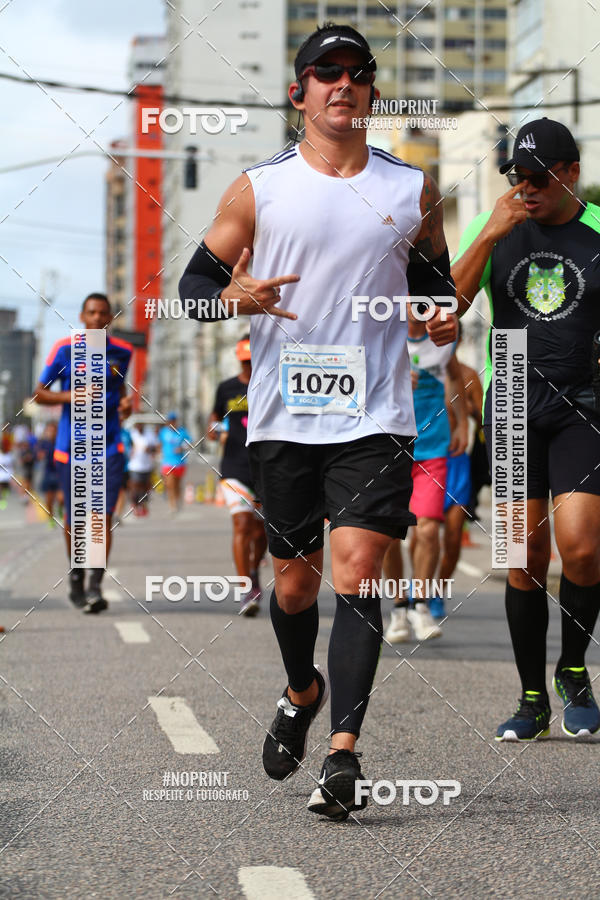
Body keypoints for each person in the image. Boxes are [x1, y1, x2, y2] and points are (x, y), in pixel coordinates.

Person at [180, 21, 457, 820]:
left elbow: (436, 298)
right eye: (325, 71)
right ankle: (302, 689)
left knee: (357, 574)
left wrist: (445, 323)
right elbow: (198, 287)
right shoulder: (257, 187)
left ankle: (343, 753)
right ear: (299, 91)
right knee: (295, 586)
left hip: (377, 414)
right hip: (284, 417)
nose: (344, 83)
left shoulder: (412, 188)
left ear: (372, 90)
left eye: (358, 72)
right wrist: (234, 295)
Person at [452, 117, 600, 740]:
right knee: (522, 556)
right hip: (511, 392)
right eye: (517, 177)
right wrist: (488, 232)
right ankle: (532, 696)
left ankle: (573, 669)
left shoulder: (596, 231)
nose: (526, 189)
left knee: (583, 546)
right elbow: (443, 307)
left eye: (539, 178)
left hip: (584, 400)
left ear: (570, 175)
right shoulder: (501, 231)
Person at [33, 293, 132, 612]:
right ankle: (76, 574)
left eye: (103, 313)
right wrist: (72, 396)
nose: (96, 318)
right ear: (82, 315)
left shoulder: (123, 352)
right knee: (76, 520)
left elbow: (121, 392)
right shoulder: (64, 349)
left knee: (102, 518)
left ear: (110, 318)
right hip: (70, 448)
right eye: (91, 312)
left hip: (109, 448)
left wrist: (127, 405)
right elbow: (39, 394)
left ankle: (95, 585)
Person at [384, 310, 468, 642]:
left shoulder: (443, 337)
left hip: (432, 449)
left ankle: (421, 607)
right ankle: (398, 610)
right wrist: (394, 378)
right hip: (389, 448)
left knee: (429, 530)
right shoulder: (384, 336)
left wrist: (462, 422)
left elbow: (454, 374)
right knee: (389, 536)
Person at [208, 335, 267, 617]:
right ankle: (246, 588)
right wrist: (215, 429)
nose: (248, 366)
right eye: (244, 361)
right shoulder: (226, 387)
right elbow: (214, 417)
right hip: (234, 466)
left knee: (262, 531)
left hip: (267, 467)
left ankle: (255, 570)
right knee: (242, 525)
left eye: (252, 360)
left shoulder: (271, 383)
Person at [433, 328, 485, 618]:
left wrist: (469, 410)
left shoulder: (468, 375)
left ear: (460, 339)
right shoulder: (419, 368)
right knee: (423, 533)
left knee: (452, 536)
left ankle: (437, 591)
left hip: (456, 463)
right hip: (426, 460)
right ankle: (418, 589)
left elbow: (483, 415)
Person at [158, 412, 191, 514]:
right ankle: (172, 505)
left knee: (177, 485)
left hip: (179, 463)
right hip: (167, 463)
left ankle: (177, 501)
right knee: (169, 484)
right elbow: (159, 444)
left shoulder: (182, 431)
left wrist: (182, 448)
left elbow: (189, 443)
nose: (171, 423)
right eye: (170, 421)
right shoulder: (163, 432)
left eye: (173, 421)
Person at [36, 421, 63, 526]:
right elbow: (37, 456)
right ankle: (51, 519)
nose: (51, 432)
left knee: (61, 498)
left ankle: (60, 509)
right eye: (49, 430)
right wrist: (40, 455)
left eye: (53, 430)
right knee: (49, 500)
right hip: (48, 474)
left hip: (60, 473)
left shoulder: (60, 442)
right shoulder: (44, 443)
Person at [128, 421, 157, 516]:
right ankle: (135, 505)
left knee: (145, 487)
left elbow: (156, 448)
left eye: (141, 426)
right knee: (135, 486)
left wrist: (150, 449)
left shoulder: (149, 434)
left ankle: (143, 506)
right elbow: (126, 446)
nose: (139, 427)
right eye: (138, 426)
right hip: (134, 465)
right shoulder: (132, 434)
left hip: (147, 465)